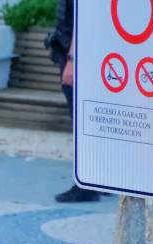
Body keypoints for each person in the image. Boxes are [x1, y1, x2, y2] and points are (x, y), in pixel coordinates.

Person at [49, 0, 103, 203]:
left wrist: (72, 60)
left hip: (79, 57)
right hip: (84, 55)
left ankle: (86, 185)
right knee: (90, 123)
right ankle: (99, 180)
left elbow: (83, 20)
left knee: (82, 123)